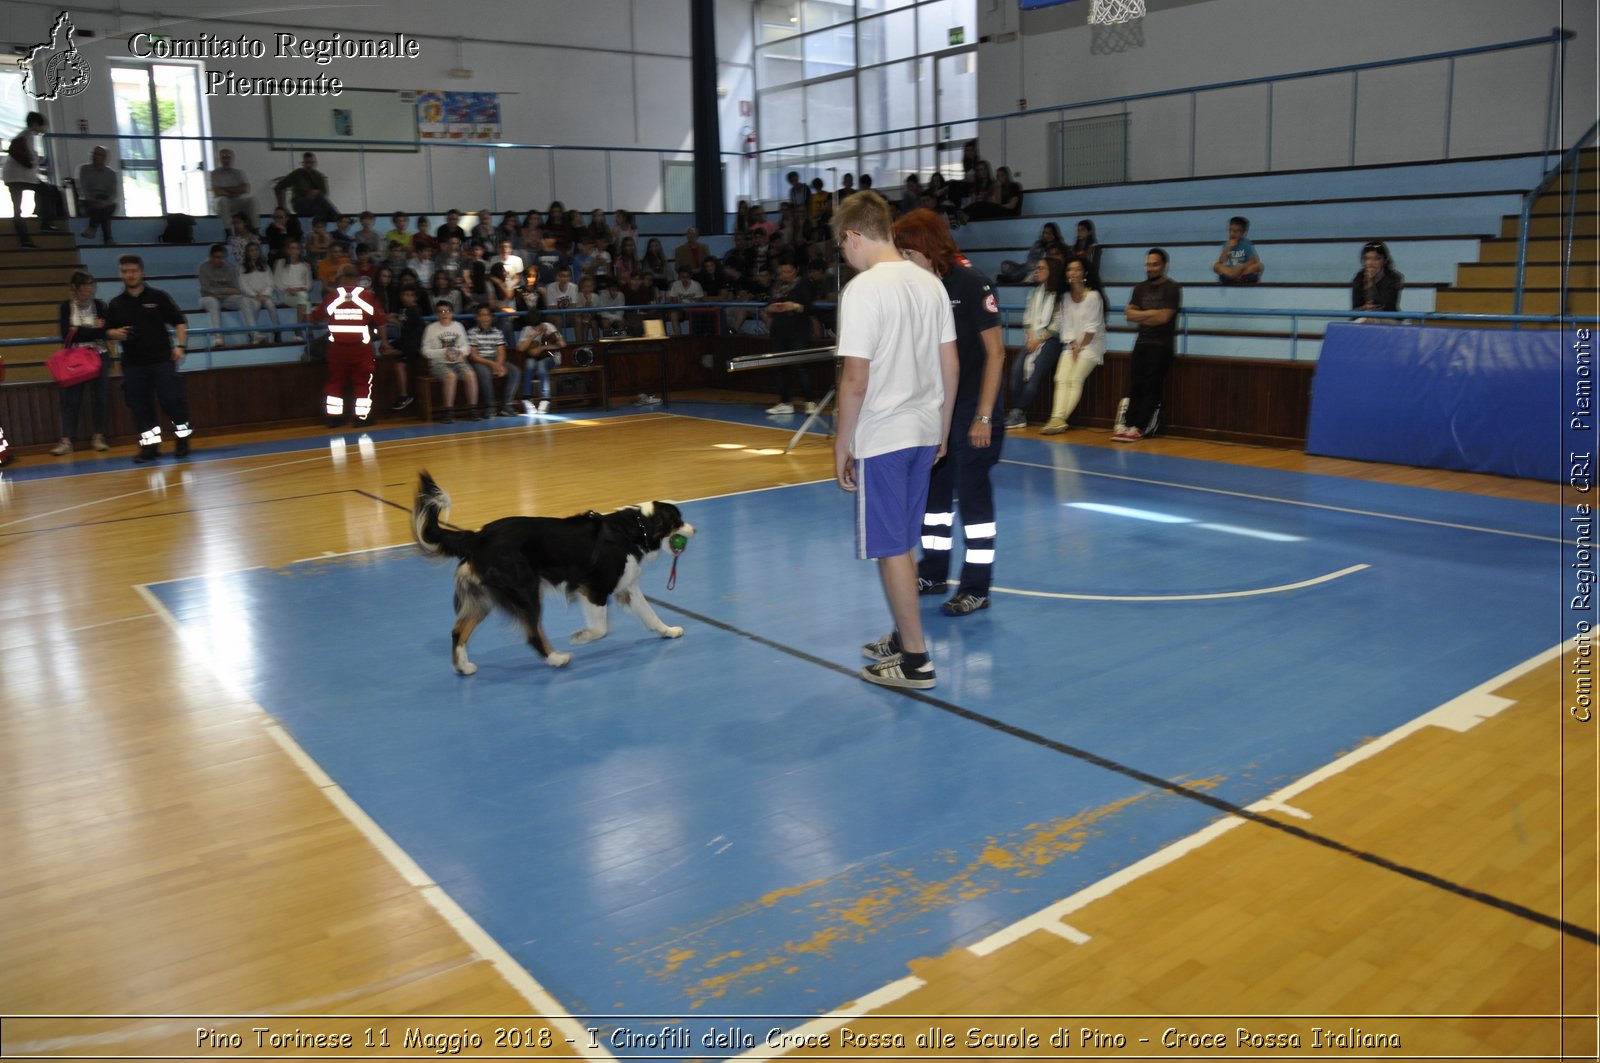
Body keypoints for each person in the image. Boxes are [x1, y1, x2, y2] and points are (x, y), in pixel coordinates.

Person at [831, 191, 959, 690]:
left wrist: (842, 443)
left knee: (891, 548)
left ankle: (915, 659)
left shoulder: (863, 291)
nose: (846, 257)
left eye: (844, 247)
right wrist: (943, 430)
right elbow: (951, 365)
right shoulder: (930, 285)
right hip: (925, 431)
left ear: (853, 236)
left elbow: (855, 379)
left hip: (885, 436)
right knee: (902, 545)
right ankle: (909, 646)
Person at [894, 208, 1007, 618]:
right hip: (936, 412)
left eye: (908, 251)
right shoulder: (921, 288)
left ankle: (977, 585)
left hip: (973, 411)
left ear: (927, 247)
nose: (904, 260)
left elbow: (996, 353)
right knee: (934, 498)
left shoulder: (972, 282)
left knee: (974, 503)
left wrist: (983, 415)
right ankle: (935, 570)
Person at [105, 254, 193, 463]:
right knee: (139, 406)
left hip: (162, 360)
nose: (130, 275)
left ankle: (182, 441)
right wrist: (115, 333)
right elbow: (108, 331)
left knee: (173, 401)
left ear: (142, 272)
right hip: (134, 364)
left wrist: (181, 347)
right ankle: (150, 447)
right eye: (125, 271)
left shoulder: (158, 296)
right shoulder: (116, 303)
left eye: (133, 270)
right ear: (121, 274)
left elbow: (179, 322)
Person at [1115, 248, 1182, 443]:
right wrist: (1152, 314)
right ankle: (1128, 424)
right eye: (1148, 264)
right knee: (1135, 384)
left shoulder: (1173, 288)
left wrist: (1142, 315)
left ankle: (1140, 426)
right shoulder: (1139, 288)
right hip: (1142, 342)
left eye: (1154, 264)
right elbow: (1129, 315)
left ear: (1164, 266)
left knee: (1151, 386)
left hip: (1162, 345)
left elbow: (1165, 317)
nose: (1150, 268)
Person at [311, 265, 386, 427]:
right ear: (357, 279)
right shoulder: (368, 297)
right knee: (362, 383)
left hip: (337, 350)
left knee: (335, 382)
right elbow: (381, 322)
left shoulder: (331, 297)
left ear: (340, 279)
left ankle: (334, 418)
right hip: (361, 349)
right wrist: (385, 343)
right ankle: (362, 418)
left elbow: (315, 317)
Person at [1041, 257, 1107, 434]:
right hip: (1072, 344)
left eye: (1077, 269)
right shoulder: (1064, 298)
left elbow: (1092, 327)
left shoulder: (1093, 296)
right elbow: (1066, 325)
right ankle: (1056, 418)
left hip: (1092, 345)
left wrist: (1080, 347)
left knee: (1075, 378)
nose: (1073, 273)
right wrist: (1073, 344)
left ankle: (1060, 420)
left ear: (1084, 273)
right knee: (1060, 378)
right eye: (1070, 269)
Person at [51, 270, 114, 455]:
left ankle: (99, 435)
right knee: (72, 399)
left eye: (90, 285)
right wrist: (92, 328)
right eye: (84, 285)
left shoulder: (100, 305)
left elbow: (104, 331)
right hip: (75, 358)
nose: (88, 289)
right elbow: (65, 333)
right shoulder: (66, 307)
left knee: (101, 397)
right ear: (75, 288)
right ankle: (67, 440)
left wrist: (78, 329)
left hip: (98, 354)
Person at [1004, 256, 1064, 429]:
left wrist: (1039, 339)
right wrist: (1030, 337)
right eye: (1037, 268)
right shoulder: (1034, 293)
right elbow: (1028, 318)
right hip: (1032, 339)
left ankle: (1019, 412)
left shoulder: (1059, 296)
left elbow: (1057, 323)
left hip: (1051, 341)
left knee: (1035, 374)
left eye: (1041, 268)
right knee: (1016, 370)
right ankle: (1016, 411)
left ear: (1051, 272)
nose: (1037, 272)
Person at [762, 259, 815, 415]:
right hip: (779, 330)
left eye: (788, 272)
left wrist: (796, 306)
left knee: (800, 366)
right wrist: (771, 308)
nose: (784, 275)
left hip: (798, 330)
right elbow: (770, 304)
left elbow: (812, 308)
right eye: (782, 272)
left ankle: (810, 401)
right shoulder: (777, 286)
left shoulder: (804, 284)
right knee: (780, 367)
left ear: (796, 270)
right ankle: (785, 402)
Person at [5, 111, 62, 247]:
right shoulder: (27, 135)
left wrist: (39, 170)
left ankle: (25, 240)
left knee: (17, 209)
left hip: (13, 177)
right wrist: (41, 170)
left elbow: (25, 161)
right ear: (35, 124)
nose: (43, 129)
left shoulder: (23, 135)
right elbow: (30, 160)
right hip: (22, 177)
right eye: (42, 126)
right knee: (47, 191)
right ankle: (45, 223)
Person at [420, 301, 476, 422]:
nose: (444, 314)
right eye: (441, 312)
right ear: (436, 314)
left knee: (470, 375)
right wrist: (442, 352)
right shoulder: (431, 328)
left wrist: (461, 352)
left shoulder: (458, 326)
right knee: (451, 376)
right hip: (438, 363)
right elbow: (425, 350)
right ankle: (448, 411)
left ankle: (472, 409)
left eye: (447, 311)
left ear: (452, 313)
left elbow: (466, 346)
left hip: (458, 361)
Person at [466, 303, 522, 417]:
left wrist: (499, 365)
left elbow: (501, 352)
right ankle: (490, 407)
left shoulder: (498, 332)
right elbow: (474, 356)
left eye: (487, 315)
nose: (485, 318)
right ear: (477, 317)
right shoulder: (472, 332)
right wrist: (493, 365)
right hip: (479, 361)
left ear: (491, 317)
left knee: (515, 371)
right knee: (484, 372)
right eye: (482, 315)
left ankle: (507, 405)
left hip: (495, 360)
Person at [197, 243, 249, 349]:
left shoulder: (230, 267)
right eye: (217, 257)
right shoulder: (203, 267)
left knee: (244, 300)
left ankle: (253, 332)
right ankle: (218, 337)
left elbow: (236, 290)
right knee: (213, 302)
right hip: (206, 299)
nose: (219, 260)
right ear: (211, 256)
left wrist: (219, 291)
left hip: (226, 299)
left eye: (222, 257)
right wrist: (226, 290)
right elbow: (206, 291)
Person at [387, 284, 426, 412]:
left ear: (415, 297)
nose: (407, 297)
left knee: (399, 366)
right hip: (405, 341)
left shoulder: (415, 310)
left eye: (410, 295)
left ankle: (404, 395)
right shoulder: (404, 309)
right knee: (385, 349)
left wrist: (392, 320)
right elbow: (404, 327)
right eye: (405, 294)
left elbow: (406, 326)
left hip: (413, 345)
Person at [516, 317, 565, 414]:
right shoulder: (527, 329)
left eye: (538, 326)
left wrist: (542, 348)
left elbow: (563, 344)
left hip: (551, 357)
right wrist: (533, 335)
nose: (537, 328)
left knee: (541, 365)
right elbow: (520, 349)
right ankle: (526, 399)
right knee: (529, 364)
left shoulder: (550, 327)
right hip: (534, 359)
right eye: (534, 327)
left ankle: (545, 399)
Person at [273, 152, 339, 223]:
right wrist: (282, 207)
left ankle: (326, 223)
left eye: (311, 163)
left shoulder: (319, 176)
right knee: (319, 195)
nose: (309, 165)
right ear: (303, 163)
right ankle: (338, 216)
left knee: (323, 211)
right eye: (307, 162)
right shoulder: (297, 174)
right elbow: (278, 187)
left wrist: (315, 194)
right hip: (299, 203)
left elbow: (325, 195)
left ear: (315, 163)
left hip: (314, 207)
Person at [76, 146, 119, 245]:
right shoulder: (84, 169)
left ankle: (92, 227)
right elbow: (83, 189)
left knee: (109, 207)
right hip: (88, 202)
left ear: (105, 157)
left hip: (105, 202)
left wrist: (105, 202)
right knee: (103, 211)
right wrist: (94, 201)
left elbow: (113, 193)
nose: (95, 156)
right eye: (94, 154)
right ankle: (108, 239)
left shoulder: (111, 174)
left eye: (99, 154)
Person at [238, 241, 280, 344]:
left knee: (271, 305)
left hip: (266, 295)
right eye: (251, 250)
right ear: (247, 253)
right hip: (252, 296)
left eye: (256, 250)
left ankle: (277, 331)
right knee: (255, 305)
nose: (254, 252)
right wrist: (255, 295)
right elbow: (243, 285)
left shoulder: (265, 266)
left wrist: (265, 294)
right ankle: (252, 333)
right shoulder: (242, 267)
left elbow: (270, 283)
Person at [1352, 240, 1403, 320]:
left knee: (1368, 321)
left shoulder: (1394, 278)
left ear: (1384, 260)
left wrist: (1370, 283)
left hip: (1388, 320)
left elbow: (1386, 306)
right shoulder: (1359, 277)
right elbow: (1355, 308)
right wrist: (1363, 308)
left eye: (1377, 259)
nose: (1371, 263)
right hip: (1363, 318)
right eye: (1367, 258)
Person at [209, 148, 258, 229]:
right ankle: (228, 231)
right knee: (223, 200)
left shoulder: (239, 173)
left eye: (228, 157)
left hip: (238, 201)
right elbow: (217, 192)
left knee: (252, 200)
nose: (226, 160)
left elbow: (245, 189)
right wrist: (236, 190)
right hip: (223, 203)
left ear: (232, 158)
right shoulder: (215, 174)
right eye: (224, 157)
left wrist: (225, 190)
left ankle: (255, 230)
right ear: (219, 159)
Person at [273, 240, 314, 326]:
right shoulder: (280, 263)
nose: (294, 251)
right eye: (292, 248)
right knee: (305, 300)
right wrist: (288, 289)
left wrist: (299, 289)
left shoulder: (305, 265)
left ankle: (300, 330)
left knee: (304, 299)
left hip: (301, 292)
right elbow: (276, 281)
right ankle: (304, 330)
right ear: (287, 250)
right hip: (286, 294)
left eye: (297, 249)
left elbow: (309, 284)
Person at [1213, 215, 1264, 284]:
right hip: (1232, 270)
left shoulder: (1246, 243)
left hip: (1243, 270)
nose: (1232, 233)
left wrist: (1241, 268)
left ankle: (1235, 277)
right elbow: (1221, 261)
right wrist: (1228, 248)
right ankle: (1234, 276)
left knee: (1259, 266)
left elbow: (1254, 260)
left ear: (1243, 233)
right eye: (1230, 230)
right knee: (1216, 266)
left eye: (1236, 231)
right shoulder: (1227, 244)